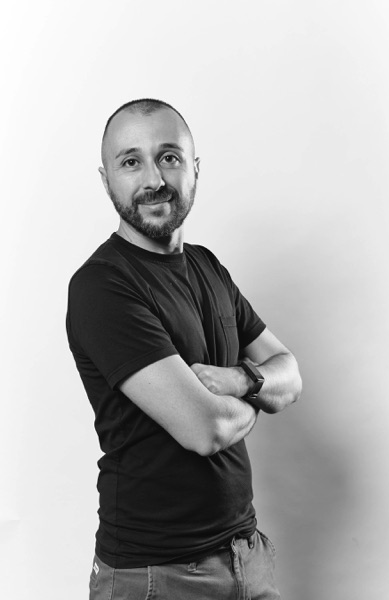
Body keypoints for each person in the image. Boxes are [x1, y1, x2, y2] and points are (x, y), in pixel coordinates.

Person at [66, 98, 302, 600]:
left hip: (246, 556)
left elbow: (290, 374)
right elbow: (206, 430)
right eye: (131, 162)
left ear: (195, 168)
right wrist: (258, 397)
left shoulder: (207, 266)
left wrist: (239, 380)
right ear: (106, 179)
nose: (154, 179)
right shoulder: (102, 286)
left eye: (169, 157)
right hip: (158, 575)